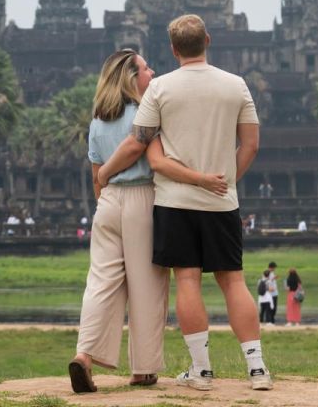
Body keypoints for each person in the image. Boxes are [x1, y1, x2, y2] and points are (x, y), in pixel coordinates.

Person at [98, 14, 273, 391]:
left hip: (174, 202)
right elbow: (252, 145)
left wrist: (103, 172)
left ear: (174, 49)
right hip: (221, 201)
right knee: (233, 281)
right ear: (207, 40)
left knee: (188, 281)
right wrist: (226, 182)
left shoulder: (159, 88)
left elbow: (137, 142)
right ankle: (257, 369)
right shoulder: (236, 84)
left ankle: (201, 370)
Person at [70, 49, 227, 394]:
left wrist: (106, 198)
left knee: (100, 283)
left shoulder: (97, 119)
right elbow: (139, 151)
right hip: (142, 198)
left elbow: (96, 176)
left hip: (107, 202)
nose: (152, 72)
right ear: (131, 78)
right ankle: (143, 369)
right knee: (148, 286)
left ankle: (84, 355)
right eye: (144, 69)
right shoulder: (145, 112)